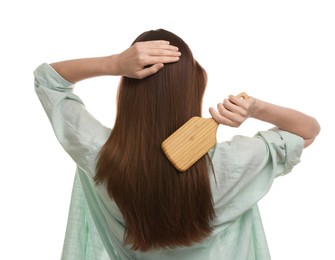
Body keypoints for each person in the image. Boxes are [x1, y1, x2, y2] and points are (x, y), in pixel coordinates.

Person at [34, 29, 320, 260]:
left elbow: (48, 81)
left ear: (127, 90)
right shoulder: (232, 164)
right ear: (196, 85)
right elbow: (307, 132)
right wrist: (255, 108)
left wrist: (114, 63)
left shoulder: (97, 154)